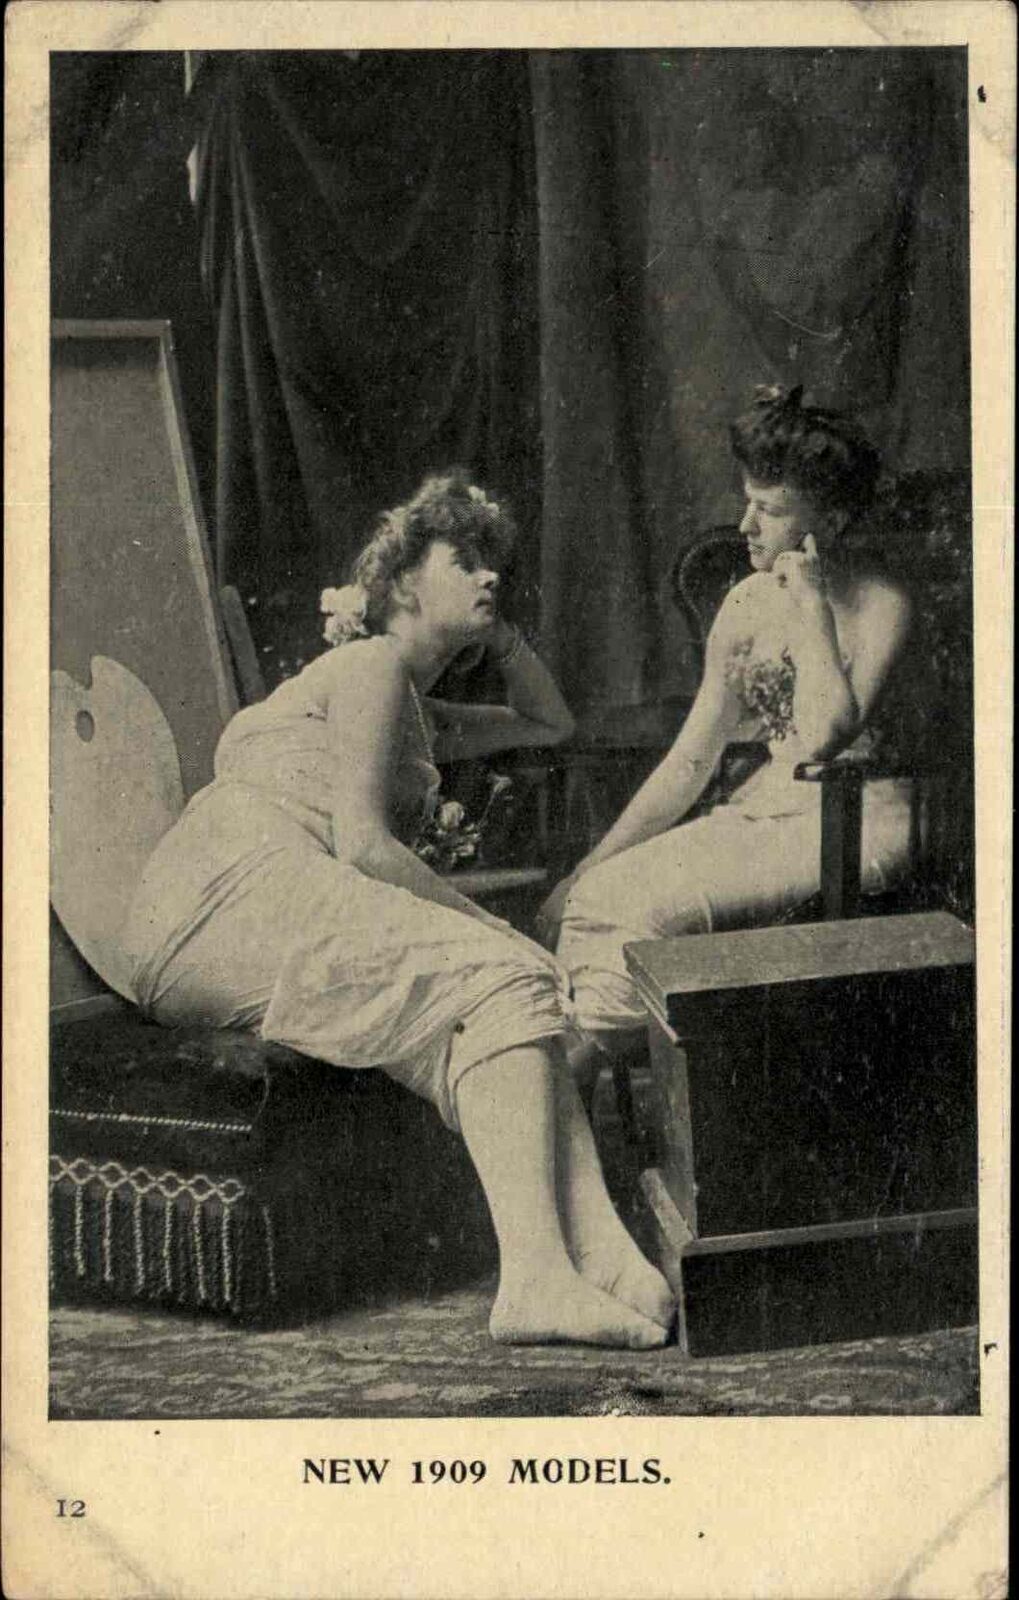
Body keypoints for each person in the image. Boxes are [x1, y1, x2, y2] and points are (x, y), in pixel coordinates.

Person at [124, 470, 674, 1349]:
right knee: (507, 965)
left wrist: (501, 632)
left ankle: (593, 1246)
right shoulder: (370, 664)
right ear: (404, 582)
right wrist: (489, 925)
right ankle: (534, 1276)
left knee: (493, 1000)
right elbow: (365, 847)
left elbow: (550, 723)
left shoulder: (422, 711)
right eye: (465, 560)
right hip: (229, 891)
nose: (490, 575)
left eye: (495, 564)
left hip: (226, 915)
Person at [538, 385, 914, 1070]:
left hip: (862, 823)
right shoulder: (745, 602)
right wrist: (591, 864)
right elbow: (690, 760)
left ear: (829, 521)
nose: (745, 525)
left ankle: (575, 1079)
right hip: (765, 814)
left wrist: (810, 608)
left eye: (769, 510)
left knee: (639, 912)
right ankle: (577, 1084)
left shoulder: (882, 603)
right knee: (594, 895)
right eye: (747, 502)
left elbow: (825, 736)